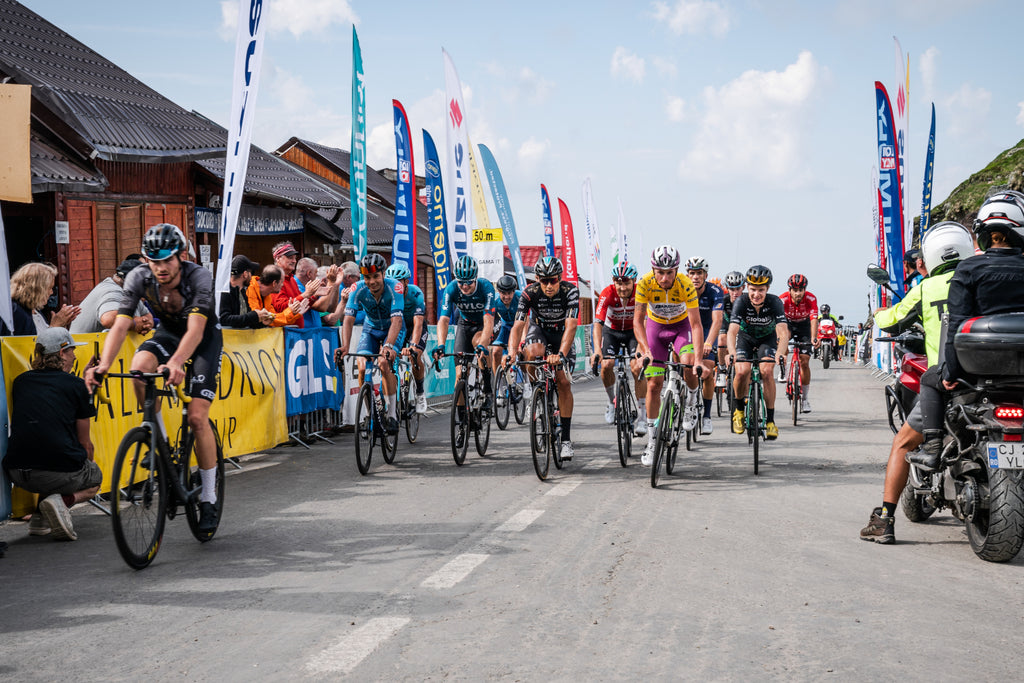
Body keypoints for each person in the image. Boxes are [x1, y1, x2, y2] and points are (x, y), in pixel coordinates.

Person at [85, 223, 222, 534]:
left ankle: (210, 498)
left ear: (181, 256)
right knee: (139, 367)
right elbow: (120, 325)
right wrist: (104, 365)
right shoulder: (138, 277)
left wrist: (175, 364)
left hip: (202, 339)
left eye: (167, 261)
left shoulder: (198, 277)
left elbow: (196, 330)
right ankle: (156, 442)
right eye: (153, 260)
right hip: (170, 333)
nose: (160, 268)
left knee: (198, 419)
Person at [859, 221, 974, 543]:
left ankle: (884, 519)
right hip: (993, 382)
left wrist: (879, 312)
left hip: (948, 381)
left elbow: (892, 319)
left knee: (903, 443)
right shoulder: (982, 278)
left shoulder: (927, 288)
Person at [912, 191, 1024, 471]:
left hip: (977, 370)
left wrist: (950, 372)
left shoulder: (970, 268)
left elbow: (956, 323)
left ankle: (933, 446)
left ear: (984, 232)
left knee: (929, 379)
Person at [2, 327, 98, 541]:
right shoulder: (76, 386)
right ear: (62, 353)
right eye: (72, 350)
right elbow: (85, 444)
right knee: (93, 479)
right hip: (55, 472)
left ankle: (39, 518)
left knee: (51, 452)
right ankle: (62, 501)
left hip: (16, 472)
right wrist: (85, 471)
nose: (75, 355)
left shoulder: (21, 381)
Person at [633, 246, 704, 466]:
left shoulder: (685, 284)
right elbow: (638, 321)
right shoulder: (644, 283)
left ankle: (691, 401)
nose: (664, 278)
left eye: (669, 273)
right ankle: (653, 442)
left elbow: (696, 324)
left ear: (676, 270)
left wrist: (699, 360)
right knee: (654, 384)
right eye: (660, 272)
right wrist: (645, 350)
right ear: (653, 269)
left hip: (681, 327)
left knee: (688, 362)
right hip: (656, 328)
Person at [506, 256, 580, 460]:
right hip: (540, 331)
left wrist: (561, 355)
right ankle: (537, 390)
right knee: (532, 353)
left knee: (563, 382)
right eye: (544, 280)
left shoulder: (570, 291)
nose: (548, 285)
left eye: (553, 280)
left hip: (562, 335)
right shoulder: (529, 293)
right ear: (537, 278)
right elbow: (518, 325)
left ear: (560, 278)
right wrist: (512, 351)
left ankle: (565, 440)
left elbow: (572, 326)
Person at [337, 253, 405, 434]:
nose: (372, 281)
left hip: (393, 328)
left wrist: (389, 346)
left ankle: (392, 414)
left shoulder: (395, 287)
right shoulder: (357, 289)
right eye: (367, 277)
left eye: (375, 276)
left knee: (383, 363)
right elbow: (349, 319)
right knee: (361, 367)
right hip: (371, 329)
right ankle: (370, 413)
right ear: (362, 277)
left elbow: (397, 321)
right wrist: (345, 346)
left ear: (383, 274)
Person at [727, 265, 789, 440]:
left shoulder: (775, 302)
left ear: (767, 289)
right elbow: (732, 332)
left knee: (767, 372)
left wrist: (781, 352)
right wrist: (731, 352)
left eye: (761, 290)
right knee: (741, 371)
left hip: (766, 340)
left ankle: (770, 421)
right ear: (747, 288)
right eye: (753, 289)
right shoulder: (741, 302)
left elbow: (783, 332)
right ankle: (738, 411)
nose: (756, 294)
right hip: (745, 339)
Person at [434, 255, 498, 413]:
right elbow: (443, 320)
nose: (464, 286)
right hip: (465, 324)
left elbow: (489, 320)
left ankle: (488, 389)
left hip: (484, 323)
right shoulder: (452, 288)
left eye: (468, 282)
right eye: (461, 281)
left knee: (478, 343)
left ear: (475, 278)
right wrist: (441, 345)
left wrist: (483, 345)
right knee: (459, 374)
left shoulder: (485, 287)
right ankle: (462, 419)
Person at [591, 262, 647, 435]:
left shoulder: (640, 293)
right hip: (612, 332)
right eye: (618, 282)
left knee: (637, 367)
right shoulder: (607, 293)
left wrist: (640, 348)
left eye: (626, 282)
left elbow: (644, 323)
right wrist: (597, 351)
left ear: (634, 281)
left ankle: (643, 416)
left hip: (633, 332)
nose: (622, 287)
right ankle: (611, 402)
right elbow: (598, 324)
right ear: (613, 281)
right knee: (607, 365)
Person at [685, 256, 724, 435]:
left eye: (699, 273)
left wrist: (708, 341)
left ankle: (707, 416)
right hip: (687, 329)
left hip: (708, 329)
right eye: (692, 273)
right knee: (683, 366)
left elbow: (717, 321)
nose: (695, 277)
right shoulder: (682, 289)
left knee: (707, 371)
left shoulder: (715, 291)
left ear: (705, 275)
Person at [386, 262, 429, 414]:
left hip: (414, 326)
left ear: (406, 282)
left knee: (415, 355)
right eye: (392, 282)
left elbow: (418, 323)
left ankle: (420, 392)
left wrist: (412, 345)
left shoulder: (415, 293)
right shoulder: (388, 294)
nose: (395, 286)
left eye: (399, 283)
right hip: (398, 327)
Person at [70, 257, 154, 334]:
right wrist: (135, 323)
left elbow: (148, 316)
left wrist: (144, 324)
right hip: (85, 349)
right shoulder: (112, 291)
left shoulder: (130, 292)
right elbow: (108, 319)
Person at [778, 273, 819, 413]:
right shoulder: (782, 299)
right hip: (787, 324)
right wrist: (779, 338)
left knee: (805, 362)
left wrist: (814, 337)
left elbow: (814, 319)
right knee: (783, 339)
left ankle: (805, 399)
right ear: (789, 290)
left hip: (804, 327)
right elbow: (779, 323)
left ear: (804, 290)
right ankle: (783, 370)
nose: (797, 293)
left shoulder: (811, 298)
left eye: (800, 290)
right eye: (795, 290)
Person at [489, 274, 527, 407]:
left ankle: (526, 382)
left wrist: (522, 342)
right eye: (503, 293)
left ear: (513, 291)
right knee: (495, 352)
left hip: (521, 326)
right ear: (498, 292)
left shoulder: (520, 297)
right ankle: (500, 387)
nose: (506, 297)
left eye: (509, 293)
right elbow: (488, 320)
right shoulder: (494, 300)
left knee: (523, 353)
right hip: (505, 326)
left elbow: (525, 321)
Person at [269, 241, 327, 329]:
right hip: (285, 333)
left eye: (295, 258)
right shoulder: (274, 278)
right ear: (278, 259)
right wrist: (306, 294)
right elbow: (281, 307)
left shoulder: (291, 279)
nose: (294, 261)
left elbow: (301, 304)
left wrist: (314, 295)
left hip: (296, 333)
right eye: (290, 257)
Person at [10, 262, 80, 332]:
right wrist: (55, 326)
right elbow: (36, 342)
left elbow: (46, 336)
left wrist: (61, 324)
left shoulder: (35, 310)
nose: (51, 292)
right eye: (49, 288)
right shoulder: (17, 312)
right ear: (37, 289)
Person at [219, 254, 274, 329]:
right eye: (251, 273)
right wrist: (254, 316)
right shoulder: (224, 291)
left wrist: (262, 322)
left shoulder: (243, 292)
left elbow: (245, 320)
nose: (251, 276)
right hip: (226, 339)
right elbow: (224, 319)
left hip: (240, 339)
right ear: (245, 274)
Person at [716, 270, 745, 386]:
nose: (735, 293)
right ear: (727, 289)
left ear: (744, 287)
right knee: (722, 339)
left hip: (742, 326)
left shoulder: (748, 300)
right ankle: (722, 369)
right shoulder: (723, 300)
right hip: (726, 324)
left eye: (738, 289)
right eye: (732, 289)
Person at [296, 256, 340, 328]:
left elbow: (331, 308)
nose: (316, 277)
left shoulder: (309, 287)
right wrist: (331, 282)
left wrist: (336, 284)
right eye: (315, 273)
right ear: (309, 273)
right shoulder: (297, 286)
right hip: (303, 335)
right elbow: (321, 308)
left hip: (313, 334)